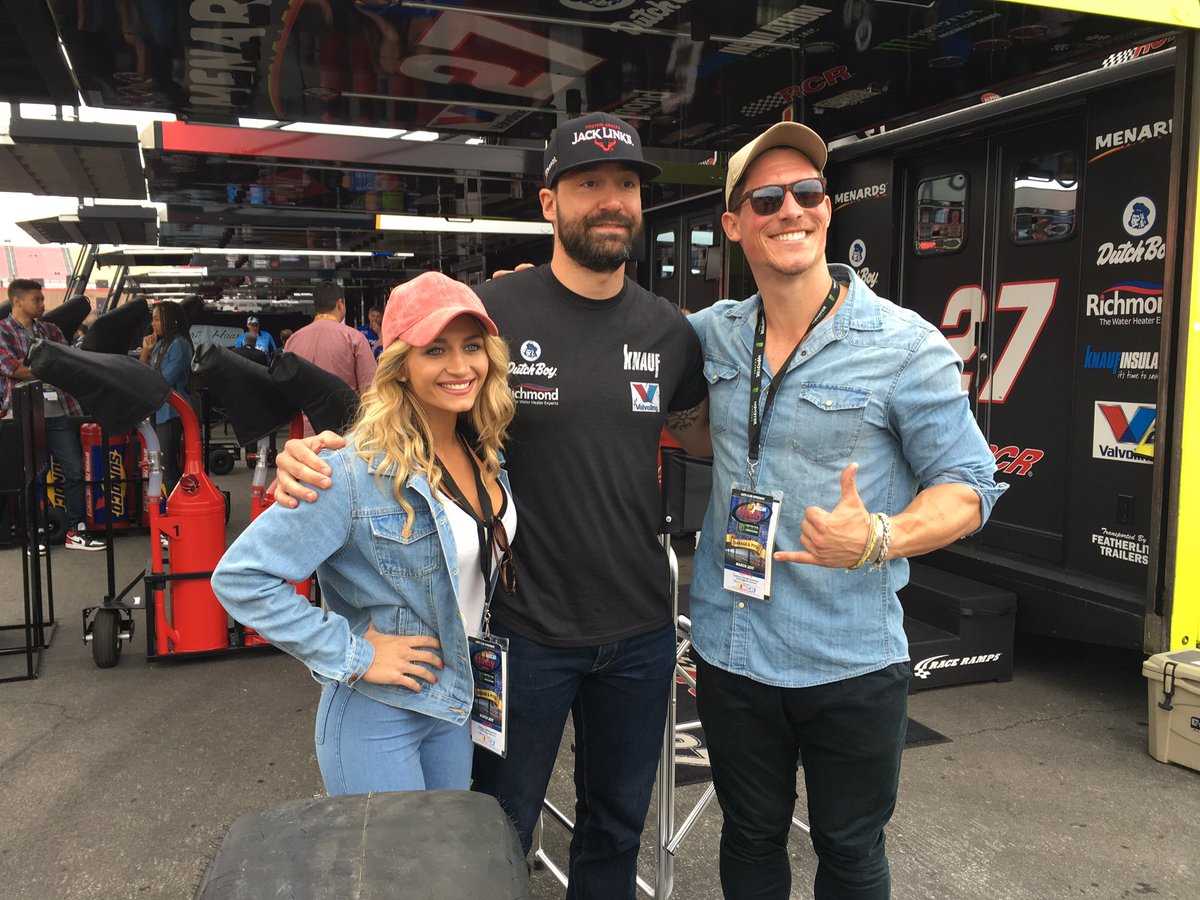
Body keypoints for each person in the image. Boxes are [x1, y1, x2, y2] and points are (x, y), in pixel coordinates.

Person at [270, 112, 711, 899]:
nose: (610, 201)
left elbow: (709, 434)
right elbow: (405, 404)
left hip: (641, 633)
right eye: (588, 185)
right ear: (549, 204)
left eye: (625, 185)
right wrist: (317, 450)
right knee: (491, 825)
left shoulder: (669, 330)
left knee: (615, 826)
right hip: (519, 634)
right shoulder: (489, 312)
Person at [682, 121, 1007, 899]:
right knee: (750, 837)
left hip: (849, 659)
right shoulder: (711, 336)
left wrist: (883, 537)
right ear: (735, 225)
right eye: (766, 198)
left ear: (828, 210)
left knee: (851, 851)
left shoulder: (904, 345)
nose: (790, 210)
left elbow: (972, 484)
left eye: (808, 192)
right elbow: (603, 352)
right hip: (731, 652)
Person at [212, 272, 516, 794]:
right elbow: (242, 578)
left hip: (453, 698)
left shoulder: (486, 452)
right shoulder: (352, 472)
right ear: (400, 366)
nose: (460, 366)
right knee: (384, 873)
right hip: (379, 712)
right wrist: (357, 652)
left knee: (440, 867)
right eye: (435, 350)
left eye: (471, 346)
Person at [0, 279, 104, 550]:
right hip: (23, 412)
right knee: (31, 475)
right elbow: (15, 369)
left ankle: (76, 530)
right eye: (37, 299)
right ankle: (33, 535)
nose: (42, 304)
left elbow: (68, 362)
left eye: (42, 299)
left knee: (74, 470)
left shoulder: (51, 330)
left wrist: (47, 366)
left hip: (59, 412)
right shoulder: (2, 332)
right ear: (18, 301)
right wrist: (51, 367)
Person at [285, 282, 377, 400]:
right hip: (346, 416)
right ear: (340, 304)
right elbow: (369, 391)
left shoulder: (293, 340)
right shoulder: (354, 338)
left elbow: (288, 389)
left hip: (305, 416)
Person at [138, 302, 193, 494]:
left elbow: (164, 380)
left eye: (157, 319)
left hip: (171, 414)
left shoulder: (179, 345)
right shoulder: (160, 344)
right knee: (160, 464)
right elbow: (143, 374)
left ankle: (175, 504)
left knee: (167, 465)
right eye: (152, 319)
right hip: (158, 411)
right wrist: (145, 351)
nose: (153, 324)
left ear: (171, 321)